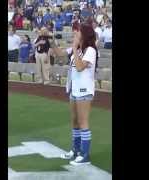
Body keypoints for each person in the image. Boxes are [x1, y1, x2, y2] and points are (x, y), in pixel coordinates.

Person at [49, 22, 98, 165]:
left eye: (78, 31)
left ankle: (85, 155)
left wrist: (75, 49)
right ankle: (75, 151)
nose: (75, 33)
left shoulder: (90, 50)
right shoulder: (76, 48)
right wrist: (51, 41)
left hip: (84, 90)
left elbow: (80, 66)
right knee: (75, 122)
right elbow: (59, 54)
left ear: (85, 34)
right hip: (74, 90)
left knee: (83, 122)